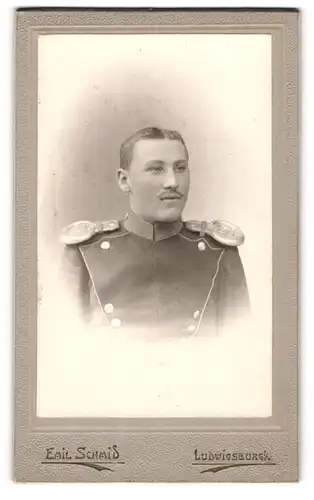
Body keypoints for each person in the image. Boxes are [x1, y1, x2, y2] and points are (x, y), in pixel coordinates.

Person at [61, 127, 250, 337]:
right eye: (156, 169)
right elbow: (66, 350)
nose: (173, 182)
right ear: (124, 180)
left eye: (180, 168)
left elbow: (239, 350)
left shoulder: (219, 253)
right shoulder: (85, 253)